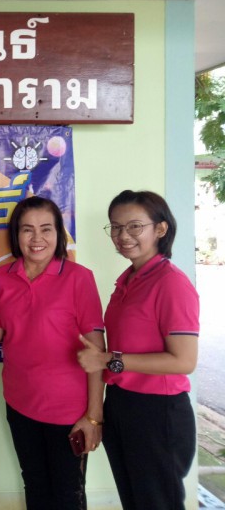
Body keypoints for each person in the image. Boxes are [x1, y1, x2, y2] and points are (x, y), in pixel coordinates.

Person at [0, 196, 105, 510]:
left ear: (59, 233)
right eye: (27, 229)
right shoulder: (3, 277)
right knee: (34, 485)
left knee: (68, 493)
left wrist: (93, 416)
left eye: (46, 229)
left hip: (68, 412)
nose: (37, 238)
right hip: (20, 404)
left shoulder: (79, 278)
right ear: (16, 234)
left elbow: (97, 353)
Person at [77, 190, 198, 510]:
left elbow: (184, 361)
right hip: (122, 404)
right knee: (135, 500)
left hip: (158, 412)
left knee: (157, 502)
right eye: (116, 227)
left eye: (134, 226)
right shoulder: (127, 281)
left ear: (160, 229)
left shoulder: (171, 283)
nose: (123, 236)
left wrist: (107, 360)